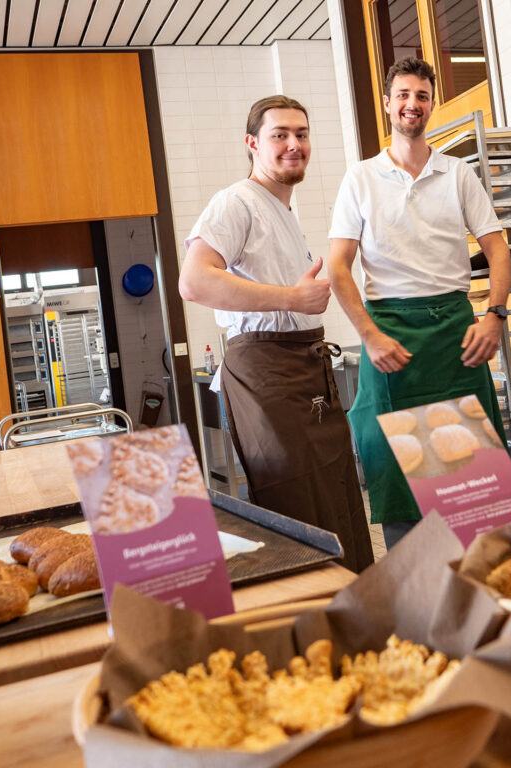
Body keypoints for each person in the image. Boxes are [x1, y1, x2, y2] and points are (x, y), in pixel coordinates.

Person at [179, 95, 374, 572]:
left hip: (305, 368)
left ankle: (355, 600)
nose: (293, 144)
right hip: (267, 373)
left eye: (301, 134)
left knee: (338, 495)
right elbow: (194, 281)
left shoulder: (282, 210)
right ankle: (316, 608)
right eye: (279, 135)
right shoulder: (236, 202)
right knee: (300, 506)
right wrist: (291, 298)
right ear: (252, 144)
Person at [328, 57, 511, 549]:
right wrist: (369, 336)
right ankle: (414, 575)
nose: (413, 104)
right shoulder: (361, 178)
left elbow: (497, 250)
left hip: (456, 335)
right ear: (388, 104)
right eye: (404, 95)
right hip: (390, 336)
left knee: (471, 468)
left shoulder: (457, 173)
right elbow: (338, 267)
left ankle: (483, 572)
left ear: (432, 104)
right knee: (396, 463)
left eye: (423, 96)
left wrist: (494, 317)